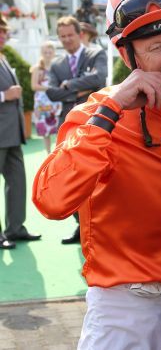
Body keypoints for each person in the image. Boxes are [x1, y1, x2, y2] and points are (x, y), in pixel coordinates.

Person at [32, 0, 161, 349]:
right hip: (125, 308)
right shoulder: (97, 114)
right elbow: (51, 200)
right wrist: (113, 107)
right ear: (127, 53)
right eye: (156, 47)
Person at [46, 15, 107, 244]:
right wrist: (80, 88)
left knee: (97, 176)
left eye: (70, 35)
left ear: (79, 34)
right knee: (70, 174)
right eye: (62, 37)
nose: (67, 40)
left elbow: (99, 77)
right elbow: (52, 92)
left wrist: (68, 85)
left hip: (96, 123)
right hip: (68, 126)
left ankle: (97, 225)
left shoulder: (96, 54)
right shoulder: (56, 65)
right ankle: (79, 226)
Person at [0, 15, 41, 249]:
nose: (4, 35)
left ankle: (15, 228)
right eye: (0, 31)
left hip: (13, 133)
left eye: (4, 31)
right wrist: (4, 96)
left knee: (17, 182)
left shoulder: (4, 57)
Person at [30, 41, 62, 153]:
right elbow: (34, 86)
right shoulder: (37, 68)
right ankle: (48, 154)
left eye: (50, 52)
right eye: (45, 52)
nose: (47, 54)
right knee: (45, 130)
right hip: (42, 103)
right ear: (41, 53)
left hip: (55, 102)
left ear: (54, 53)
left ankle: (58, 154)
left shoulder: (58, 66)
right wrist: (49, 88)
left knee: (58, 128)